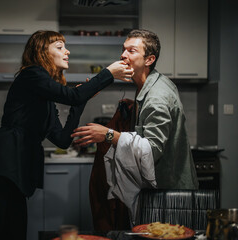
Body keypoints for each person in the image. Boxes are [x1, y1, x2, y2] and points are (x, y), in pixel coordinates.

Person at [0, 30, 133, 240]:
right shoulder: (32, 74)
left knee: (14, 233)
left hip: (13, 172)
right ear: (42, 52)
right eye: (60, 47)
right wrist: (108, 73)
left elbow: (62, 138)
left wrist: (79, 102)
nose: (67, 51)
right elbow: (73, 95)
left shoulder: (44, 97)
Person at [71, 29, 199, 225]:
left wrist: (108, 134)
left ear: (149, 60)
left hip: (169, 196)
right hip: (158, 192)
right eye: (123, 50)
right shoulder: (149, 86)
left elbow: (152, 150)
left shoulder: (157, 97)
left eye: (131, 50)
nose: (123, 55)